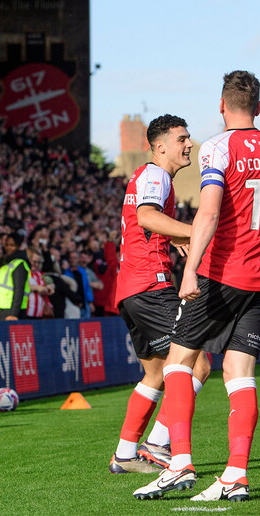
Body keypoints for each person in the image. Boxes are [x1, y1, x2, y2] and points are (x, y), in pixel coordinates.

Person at [134, 71, 260, 502]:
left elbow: (207, 215)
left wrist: (189, 271)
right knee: (239, 373)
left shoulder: (218, 147)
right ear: (258, 107)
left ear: (222, 106)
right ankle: (235, 475)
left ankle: (180, 462)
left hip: (222, 275)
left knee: (178, 361)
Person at [109, 115, 211, 474]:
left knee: (155, 374)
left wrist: (179, 237)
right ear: (160, 145)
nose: (189, 145)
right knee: (197, 363)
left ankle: (124, 453)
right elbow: (147, 217)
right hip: (150, 286)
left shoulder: (150, 177)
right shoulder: (154, 175)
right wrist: (193, 233)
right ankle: (158, 443)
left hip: (132, 288)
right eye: (182, 139)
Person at [0, 232, 30, 321]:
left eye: (12, 245)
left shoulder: (19, 264)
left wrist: (14, 313)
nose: (8, 248)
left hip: (10, 312)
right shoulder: (6, 263)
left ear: (18, 246)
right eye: (7, 245)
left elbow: (19, 291)